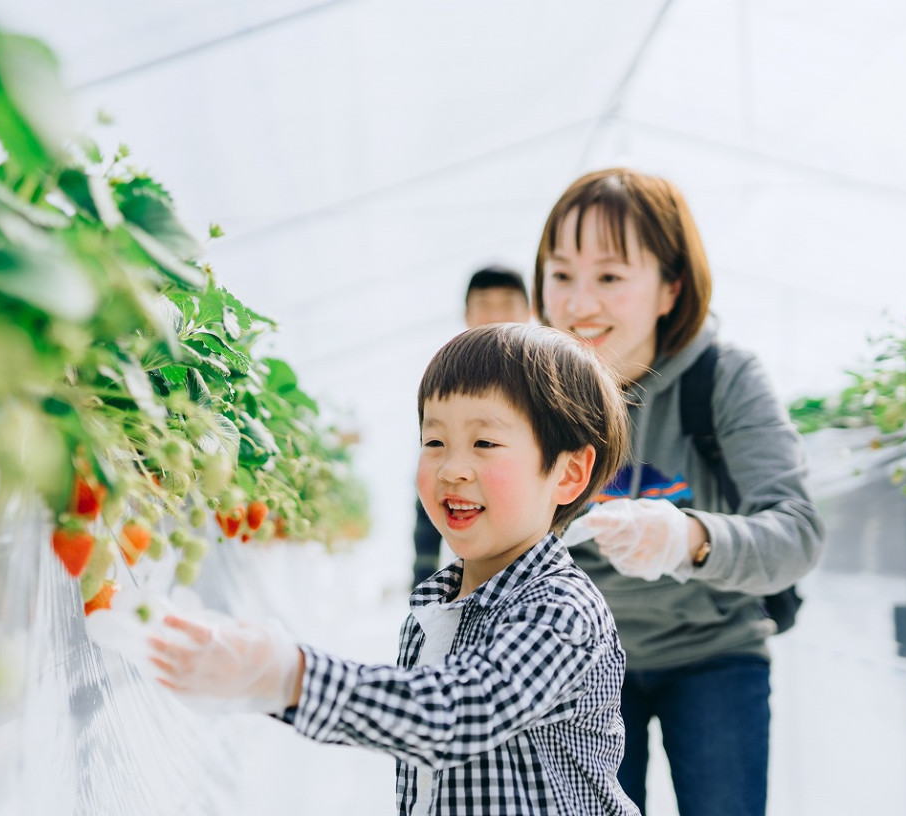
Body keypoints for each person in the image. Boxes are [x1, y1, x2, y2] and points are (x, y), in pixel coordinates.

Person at [149, 323, 639, 815]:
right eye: (434, 441)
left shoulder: (562, 610)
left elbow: (456, 714)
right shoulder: (432, 613)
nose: (452, 468)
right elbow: (417, 757)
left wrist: (290, 676)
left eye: (484, 443)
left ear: (568, 473)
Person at [533, 167, 825, 816]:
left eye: (609, 277)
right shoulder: (530, 394)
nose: (579, 305)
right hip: (585, 669)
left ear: (670, 287)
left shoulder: (723, 378)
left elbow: (799, 532)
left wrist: (690, 539)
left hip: (715, 655)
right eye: (560, 276)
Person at [411, 265, 531, 588]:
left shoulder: (544, 386)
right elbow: (429, 492)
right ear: (466, 314)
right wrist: (423, 578)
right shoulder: (447, 388)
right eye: (484, 304)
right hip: (475, 573)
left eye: (506, 303)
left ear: (528, 312)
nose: (495, 315)